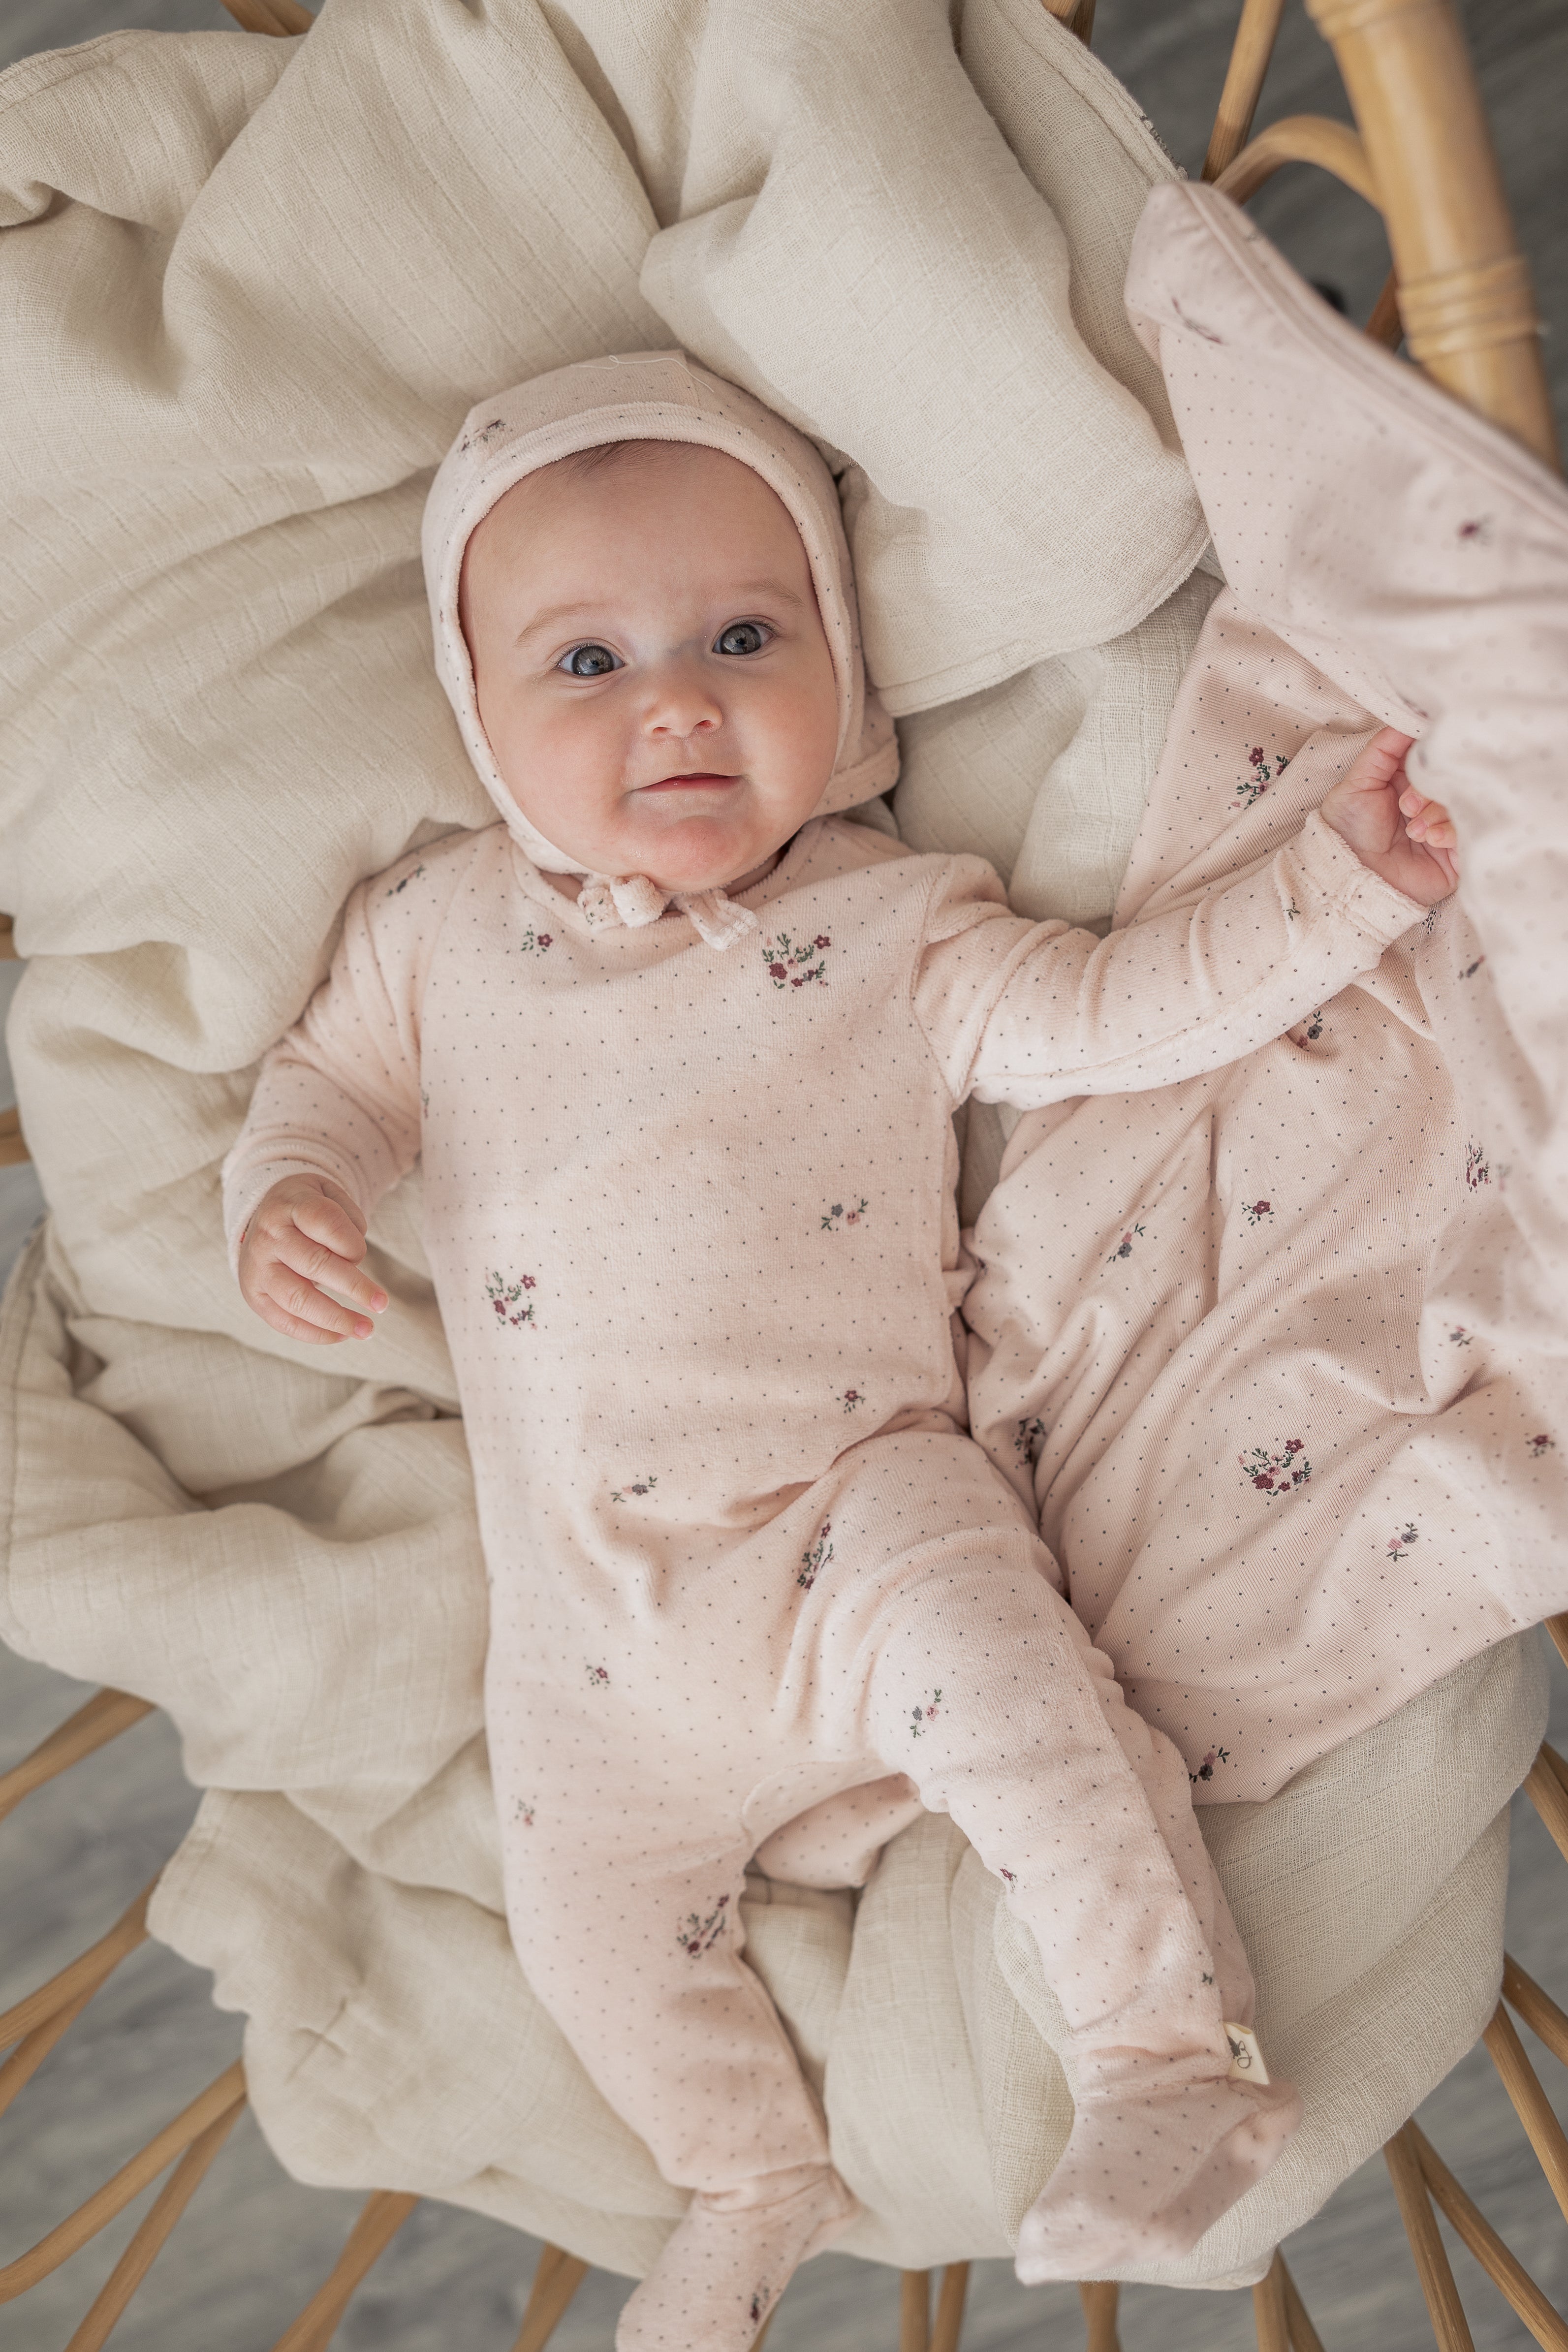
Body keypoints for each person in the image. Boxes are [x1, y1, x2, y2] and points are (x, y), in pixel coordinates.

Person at [223, 353, 1458, 2350]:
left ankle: (1158, 2054)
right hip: (597, 1655)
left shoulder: (895, 928)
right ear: (475, 715)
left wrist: (1342, 882)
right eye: (586, 662)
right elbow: (321, 1091)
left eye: (739, 633)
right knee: (587, 1926)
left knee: (1024, 1710)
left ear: (843, 670)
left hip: (845, 1532)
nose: (676, 699)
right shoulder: (437, 936)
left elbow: (1123, 1014)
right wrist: (285, 1195)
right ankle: (746, 2172)